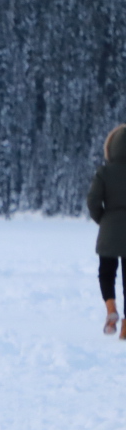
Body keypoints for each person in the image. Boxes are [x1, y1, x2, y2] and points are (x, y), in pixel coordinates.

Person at [88, 126, 126, 335]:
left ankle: (111, 310)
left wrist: (103, 219)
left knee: (106, 273)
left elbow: (93, 200)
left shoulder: (104, 171)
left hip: (110, 227)